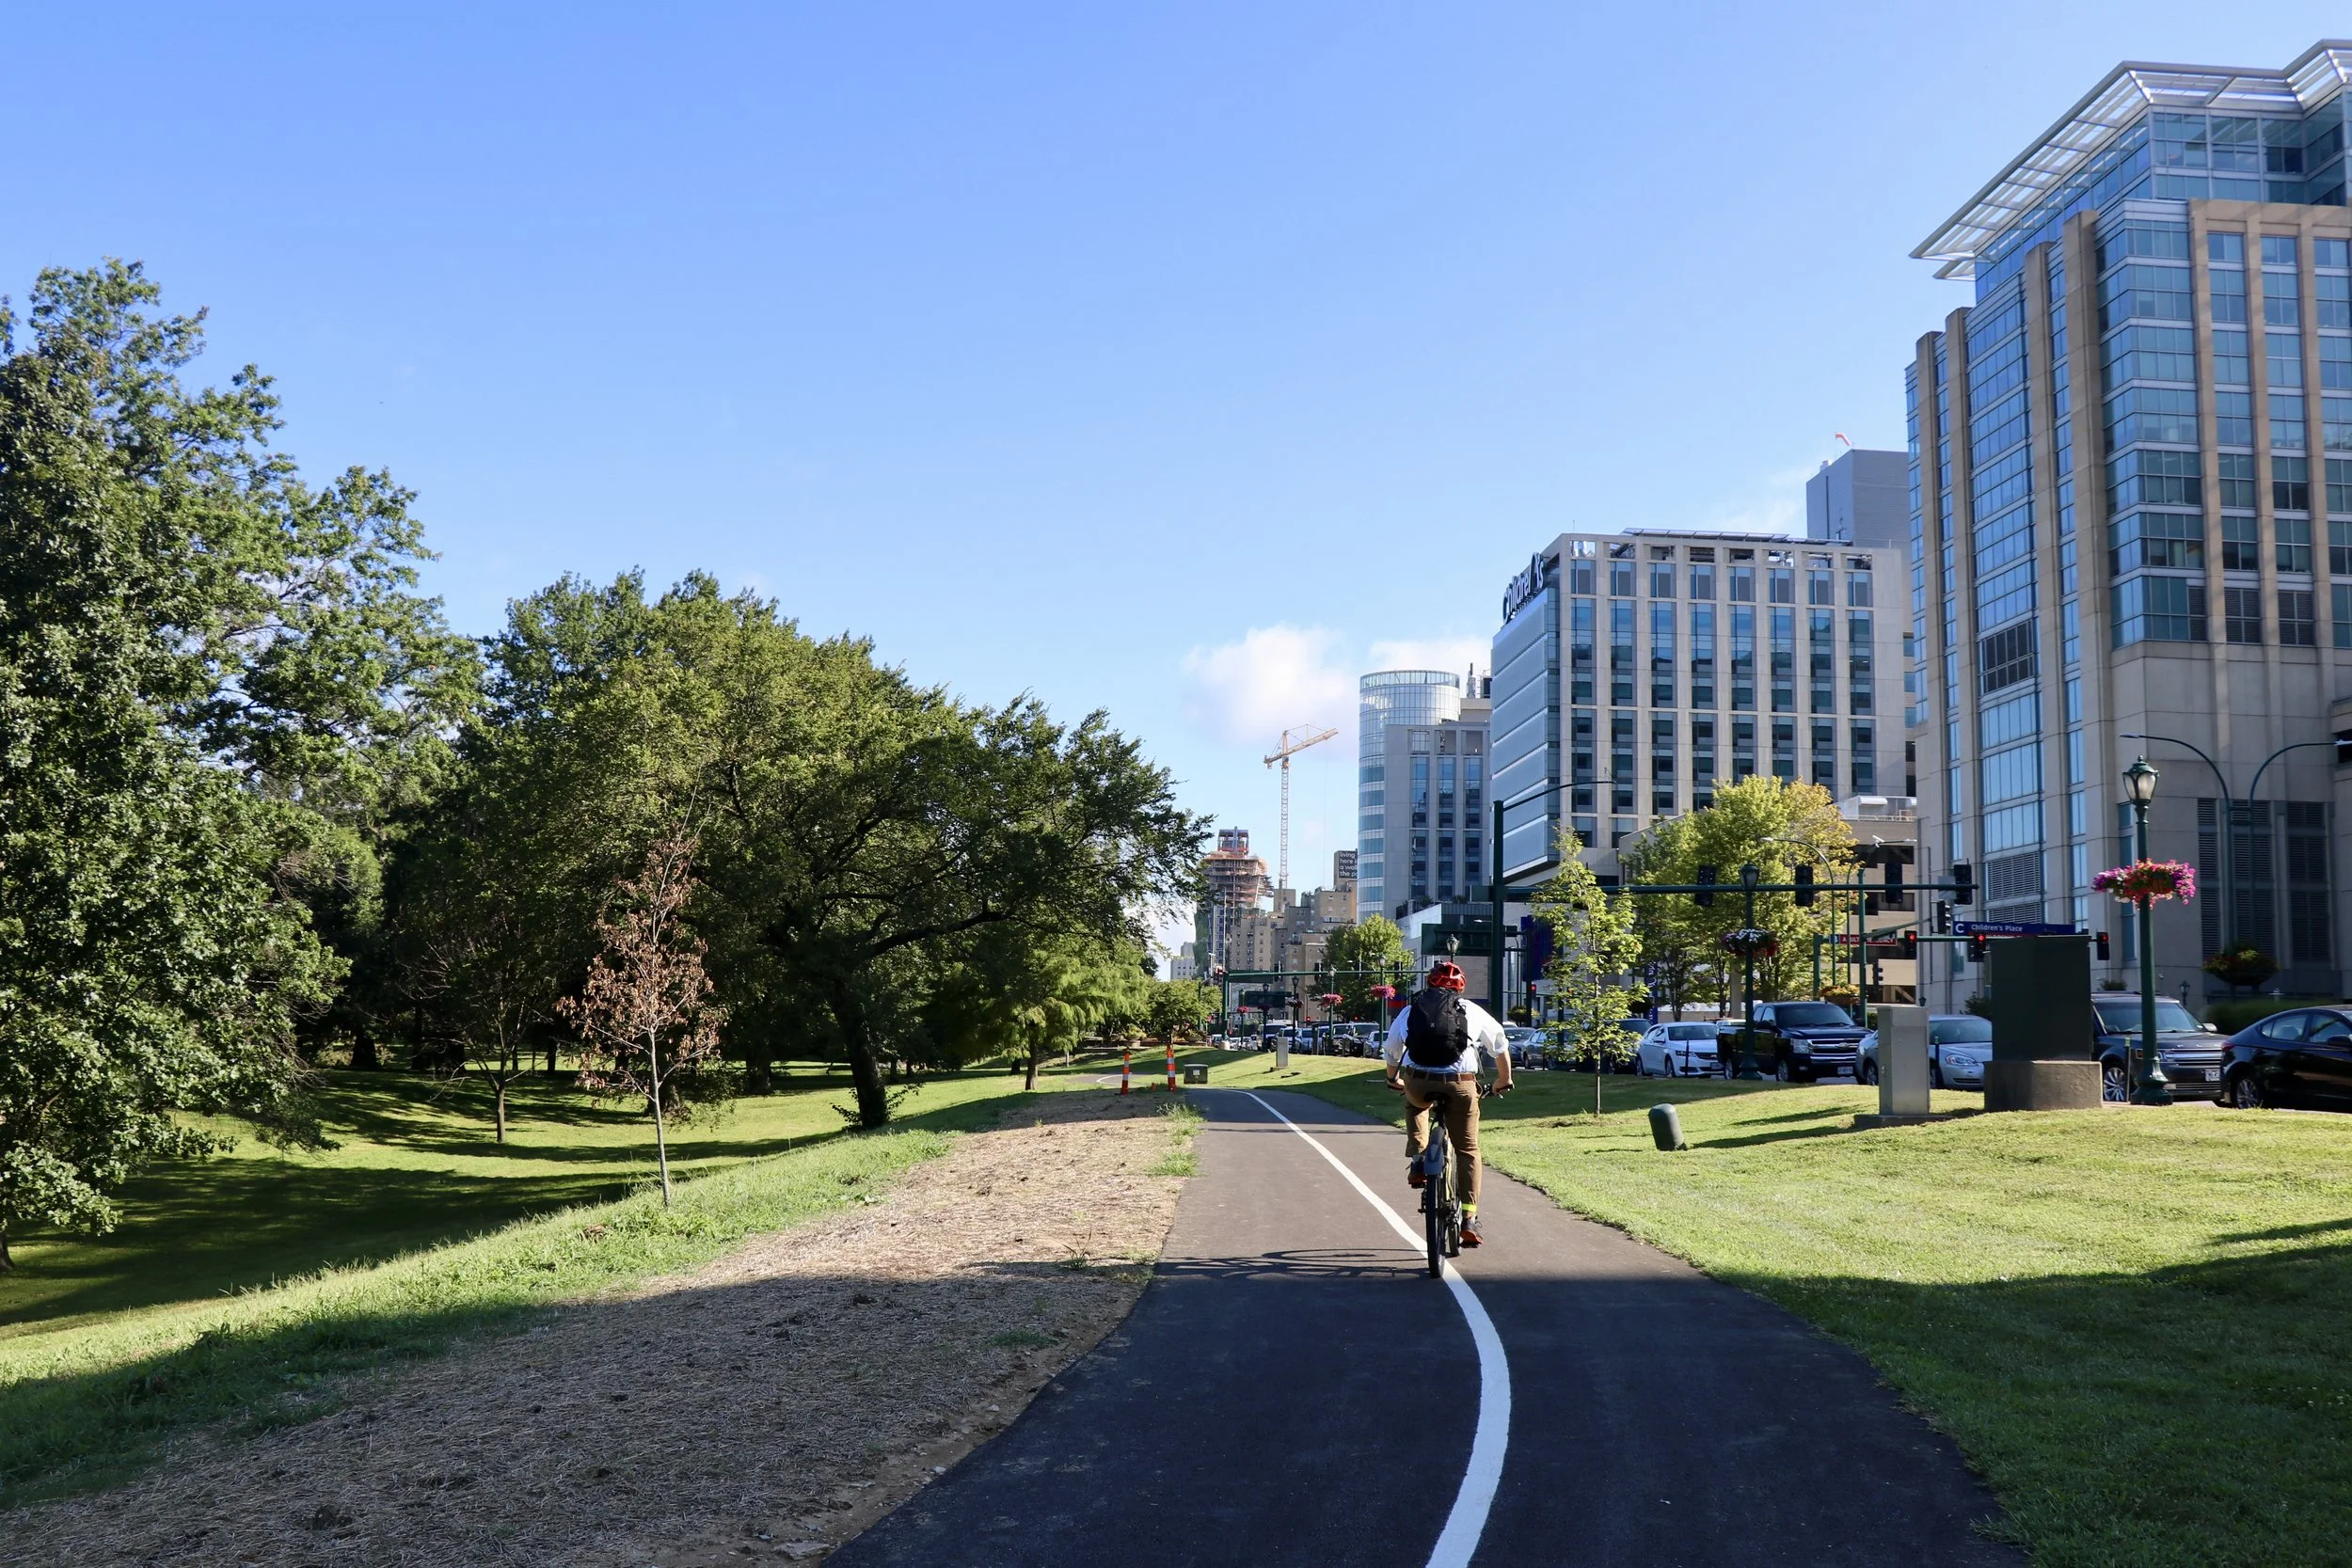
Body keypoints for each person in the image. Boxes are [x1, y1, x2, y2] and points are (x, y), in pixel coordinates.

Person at [1382, 959, 1511, 1246]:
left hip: (1419, 1081)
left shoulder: (1410, 1011)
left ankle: (1417, 1161)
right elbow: (1499, 1046)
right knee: (1468, 1149)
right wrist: (1504, 1079)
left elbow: (1392, 1051)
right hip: (1461, 1084)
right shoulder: (1473, 1011)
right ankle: (1469, 1218)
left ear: (1429, 984)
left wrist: (1394, 1079)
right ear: (1461, 987)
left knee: (1415, 1104)